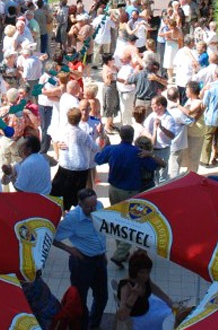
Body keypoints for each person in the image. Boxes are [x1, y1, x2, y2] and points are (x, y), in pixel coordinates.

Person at [94, 125, 158, 268]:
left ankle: (121, 251)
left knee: (118, 221)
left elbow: (97, 159)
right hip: (131, 193)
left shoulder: (112, 150)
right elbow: (153, 166)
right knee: (132, 224)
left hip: (113, 190)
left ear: (121, 136)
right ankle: (120, 254)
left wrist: (103, 148)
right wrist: (150, 154)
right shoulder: (138, 153)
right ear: (132, 136)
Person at [53, 188, 108, 330]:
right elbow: (53, 237)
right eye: (89, 206)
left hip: (99, 260)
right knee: (79, 299)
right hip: (82, 263)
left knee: (102, 297)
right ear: (80, 204)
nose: (93, 208)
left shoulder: (99, 206)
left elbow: (101, 232)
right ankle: (82, 326)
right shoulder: (72, 219)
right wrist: (70, 249)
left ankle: (94, 325)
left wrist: (103, 252)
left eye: (94, 204)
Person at [51, 107, 100, 211]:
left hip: (65, 167)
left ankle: (64, 212)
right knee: (78, 195)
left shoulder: (62, 131)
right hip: (80, 168)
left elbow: (53, 139)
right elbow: (95, 148)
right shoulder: (83, 135)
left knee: (62, 193)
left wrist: (59, 144)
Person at [116, 250, 174, 329]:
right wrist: (133, 296)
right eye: (142, 272)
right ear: (134, 271)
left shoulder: (144, 278)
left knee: (172, 312)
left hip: (149, 306)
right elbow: (121, 316)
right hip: (138, 319)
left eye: (148, 272)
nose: (146, 275)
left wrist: (167, 299)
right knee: (169, 320)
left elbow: (152, 287)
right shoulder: (126, 287)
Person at [142, 97, 175, 185]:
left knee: (162, 176)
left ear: (160, 106)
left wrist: (161, 128)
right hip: (152, 149)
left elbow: (172, 135)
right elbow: (145, 128)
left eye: (153, 104)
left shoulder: (169, 118)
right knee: (152, 175)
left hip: (163, 150)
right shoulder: (152, 115)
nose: (151, 106)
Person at [100, 54, 120, 135]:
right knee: (109, 106)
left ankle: (111, 123)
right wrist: (109, 77)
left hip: (114, 88)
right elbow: (106, 82)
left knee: (114, 104)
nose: (114, 59)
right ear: (108, 61)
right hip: (109, 89)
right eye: (112, 59)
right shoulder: (106, 69)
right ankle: (107, 126)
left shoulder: (113, 66)